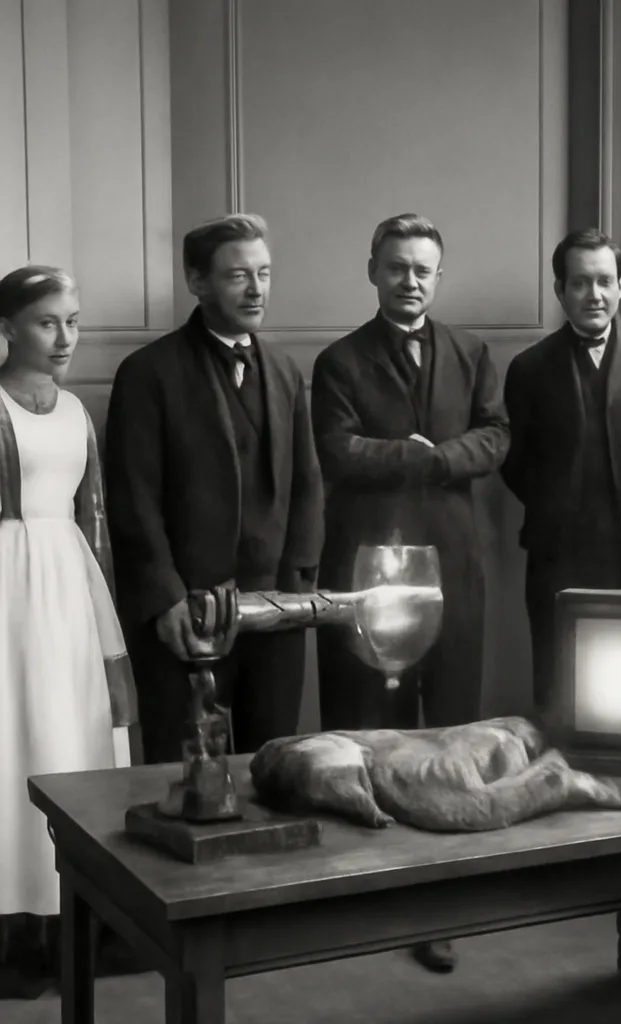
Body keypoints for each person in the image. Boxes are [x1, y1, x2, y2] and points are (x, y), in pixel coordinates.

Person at [310, 213, 509, 974]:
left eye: (423, 268)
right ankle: (369, 890)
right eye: (396, 267)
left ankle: (440, 905)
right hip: (369, 569)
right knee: (372, 729)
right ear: (373, 271)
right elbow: (336, 448)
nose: (410, 280)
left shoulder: (472, 352)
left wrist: (431, 459)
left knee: (451, 730)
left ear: (437, 274)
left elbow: (496, 437)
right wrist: (416, 457)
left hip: (455, 567)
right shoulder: (338, 360)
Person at [501, 227, 621, 991]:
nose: (595, 294)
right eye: (580, 282)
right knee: (561, 729)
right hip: (559, 574)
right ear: (560, 290)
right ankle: (561, 890)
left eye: (606, 281)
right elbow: (516, 465)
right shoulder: (530, 368)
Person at [104, 214, 324, 765]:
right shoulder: (148, 372)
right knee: (185, 776)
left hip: (276, 613)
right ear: (197, 281)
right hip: (189, 615)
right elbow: (134, 499)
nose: (256, 290)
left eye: (264, 274)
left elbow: (307, 485)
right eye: (237, 276)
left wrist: (297, 588)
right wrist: (166, 598)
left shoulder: (284, 369)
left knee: (273, 768)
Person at [0, 266, 135, 998]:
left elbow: (95, 515)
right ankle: (12, 922)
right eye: (48, 321)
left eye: (74, 321)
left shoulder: (78, 412)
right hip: (7, 585)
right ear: (9, 327)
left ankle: (70, 916)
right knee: (13, 733)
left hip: (70, 583)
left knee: (71, 730)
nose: (65, 337)